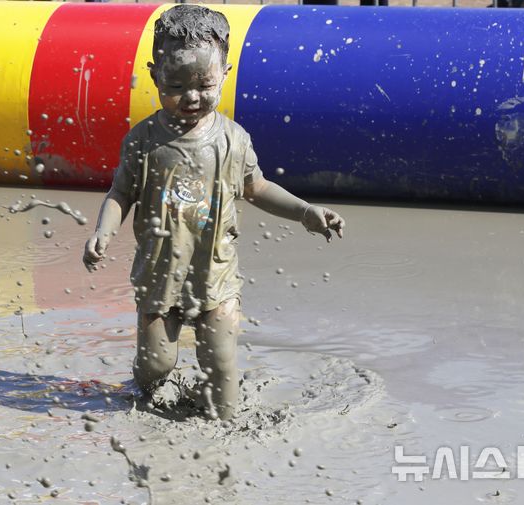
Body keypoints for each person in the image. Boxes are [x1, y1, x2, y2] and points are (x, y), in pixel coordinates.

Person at [83, 5, 345, 421]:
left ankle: (227, 433)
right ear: (154, 76)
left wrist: (304, 211)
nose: (191, 97)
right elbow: (120, 193)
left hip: (215, 276)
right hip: (159, 275)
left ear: (225, 73)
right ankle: (140, 401)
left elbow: (256, 188)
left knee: (221, 366)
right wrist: (102, 230)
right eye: (175, 85)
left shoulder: (234, 140)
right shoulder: (143, 141)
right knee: (157, 364)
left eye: (204, 84)